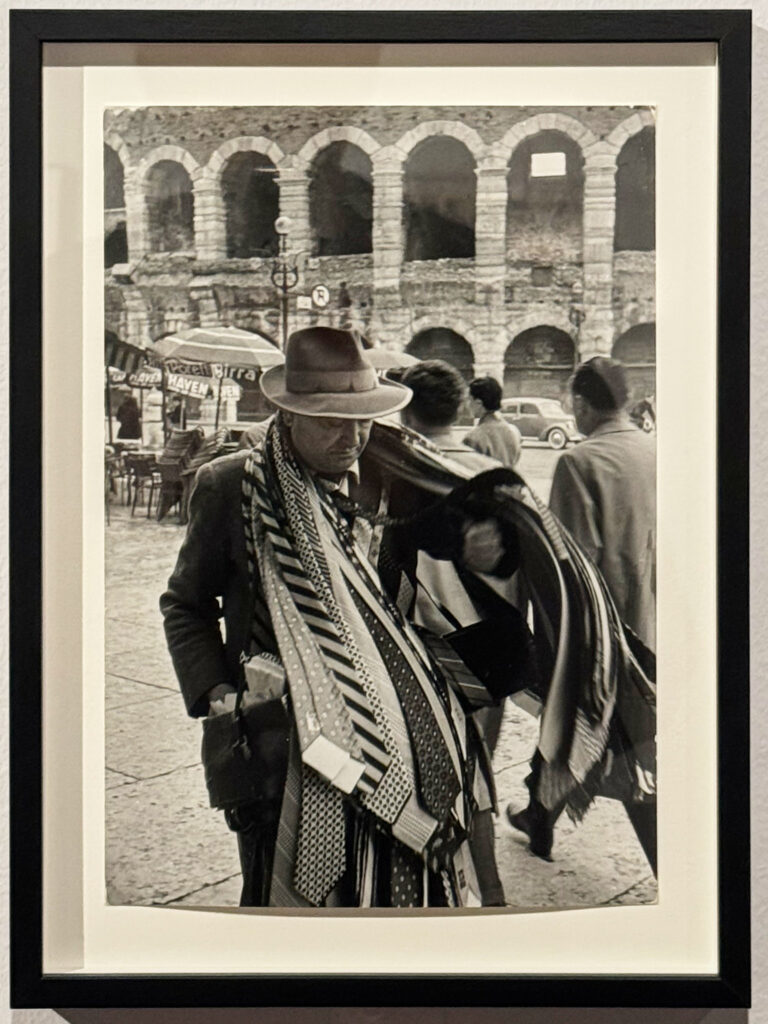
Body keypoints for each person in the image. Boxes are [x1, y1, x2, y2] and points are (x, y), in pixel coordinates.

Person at [161, 328, 516, 909]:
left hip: (392, 737)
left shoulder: (391, 478)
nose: (352, 436)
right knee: (278, 900)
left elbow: (460, 538)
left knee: (386, 893)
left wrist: (489, 546)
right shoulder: (231, 487)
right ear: (289, 413)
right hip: (282, 745)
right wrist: (219, 692)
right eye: (332, 421)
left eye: (363, 418)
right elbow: (185, 604)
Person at [506, 356, 657, 870]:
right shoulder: (653, 449)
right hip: (650, 622)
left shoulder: (579, 462)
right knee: (578, 729)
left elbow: (570, 566)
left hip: (602, 637)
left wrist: (549, 640)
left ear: (582, 404)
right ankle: (537, 815)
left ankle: (668, 864)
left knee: (615, 743)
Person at [464, 376, 522, 468]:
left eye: (469, 399)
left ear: (478, 403)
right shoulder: (514, 432)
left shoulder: (473, 437)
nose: (467, 404)